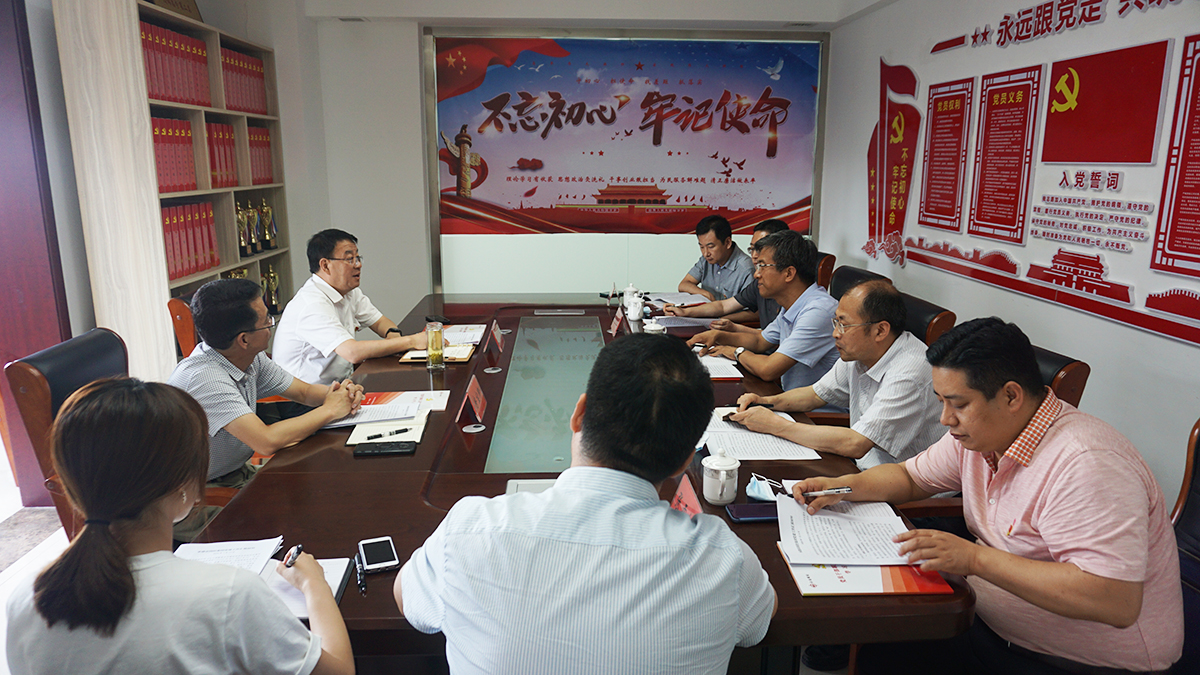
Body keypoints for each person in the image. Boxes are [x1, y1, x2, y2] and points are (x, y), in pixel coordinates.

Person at [792, 318, 1183, 675]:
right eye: (941, 401)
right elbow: (910, 477)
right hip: (985, 625)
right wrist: (841, 487)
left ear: (1011, 396)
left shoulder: (1087, 462)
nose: (945, 419)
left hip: (1077, 662)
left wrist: (974, 559)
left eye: (959, 404)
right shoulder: (981, 436)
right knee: (881, 655)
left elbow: (1114, 599)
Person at [396, 333, 776, 675]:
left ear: (579, 414)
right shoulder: (723, 558)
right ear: (684, 462)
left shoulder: (471, 530)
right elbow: (762, 615)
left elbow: (406, 597)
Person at [5, 377, 355, 675]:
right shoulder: (228, 594)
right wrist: (314, 585)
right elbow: (338, 671)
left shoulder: (26, 598)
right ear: (186, 485)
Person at [168, 279, 364, 492]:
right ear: (244, 340)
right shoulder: (205, 379)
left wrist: (341, 393)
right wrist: (330, 410)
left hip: (235, 473)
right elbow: (266, 441)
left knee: (322, 482)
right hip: (195, 493)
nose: (271, 326)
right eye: (266, 321)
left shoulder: (249, 357)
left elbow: (304, 392)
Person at [732, 278, 942, 470]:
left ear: (880, 331)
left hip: (906, 486)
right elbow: (815, 394)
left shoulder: (909, 373)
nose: (835, 333)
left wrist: (775, 425)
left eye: (844, 325)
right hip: (864, 467)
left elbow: (856, 443)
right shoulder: (860, 352)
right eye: (836, 323)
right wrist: (765, 402)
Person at [688, 230, 838, 391]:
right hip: (790, 398)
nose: (756, 275)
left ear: (788, 273)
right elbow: (760, 340)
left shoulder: (818, 312)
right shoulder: (794, 304)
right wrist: (719, 336)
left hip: (810, 407)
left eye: (762, 266)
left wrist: (736, 352)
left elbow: (768, 370)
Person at [273, 229, 427, 385]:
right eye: (349, 259)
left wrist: (394, 336)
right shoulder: (311, 304)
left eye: (357, 258)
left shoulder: (348, 292)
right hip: (306, 395)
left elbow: (380, 322)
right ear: (325, 265)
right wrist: (411, 341)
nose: (358, 265)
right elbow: (352, 352)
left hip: (342, 384)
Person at [665, 219, 789, 329]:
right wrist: (684, 312)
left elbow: (757, 320)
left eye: (760, 248)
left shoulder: (748, 270)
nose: (755, 255)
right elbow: (723, 306)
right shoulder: (757, 283)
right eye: (752, 249)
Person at [676, 215, 754, 302]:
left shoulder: (746, 269)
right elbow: (683, 285)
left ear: (728, 243)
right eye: (702, 247)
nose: (705, 253)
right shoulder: (706, 260)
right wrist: (706, 294)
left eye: (711, 246)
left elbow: (750, 309)